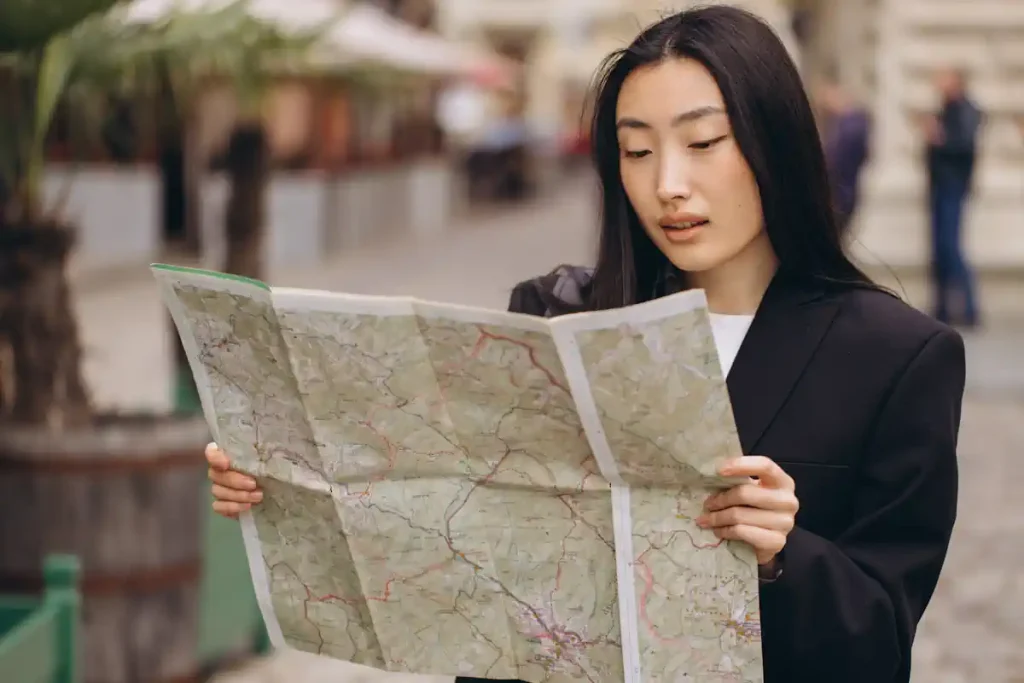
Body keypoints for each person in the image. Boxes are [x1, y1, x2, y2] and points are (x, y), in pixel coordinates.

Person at [205, 7, 965, 683]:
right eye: (637, 152)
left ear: (775, 143)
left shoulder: (897, 357)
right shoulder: (552, 319)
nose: (669, 183)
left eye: (704, 142)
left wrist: (783, 554)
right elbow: (460, 531)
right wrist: (290, 485)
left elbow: (882, 639)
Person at [922, 67, 983, 327]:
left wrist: (938, 138)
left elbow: (963, 145)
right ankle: (942, 307)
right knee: (939, 248)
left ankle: (969, 308)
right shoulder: (946, 109)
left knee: (950, 246)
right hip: (940, 187)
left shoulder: (967, 110)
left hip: (952, 187)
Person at [817, 78, 871, 238]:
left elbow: (837, 160)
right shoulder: (844, 124)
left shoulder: (851, 126)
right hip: (843, 192)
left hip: (840, 193)